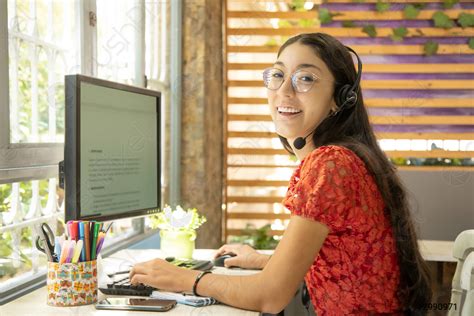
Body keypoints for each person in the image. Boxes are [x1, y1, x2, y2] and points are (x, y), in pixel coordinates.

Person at [130, 33, 432, 315]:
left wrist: (183, 278)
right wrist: (266, 261)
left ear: (339, 99)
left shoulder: (333, 164)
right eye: (277, 75)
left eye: (305, 78)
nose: (284, 91)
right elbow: (345, 258)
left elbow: (270, 296)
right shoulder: (346, 158)